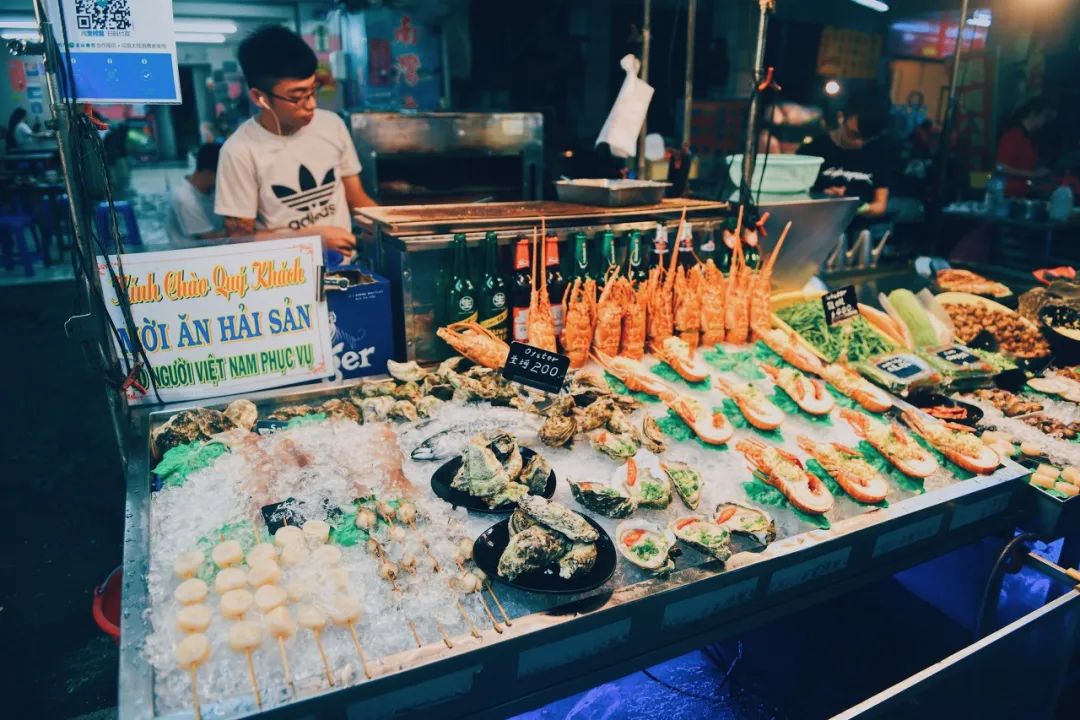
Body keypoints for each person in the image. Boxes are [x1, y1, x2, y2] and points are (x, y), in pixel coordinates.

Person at [214, 25, 376, 254]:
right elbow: (240, 239)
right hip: (286, 271)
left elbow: (357, 199)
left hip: (345, 268)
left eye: (312, 91)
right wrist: (314, 238)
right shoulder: (239, 151)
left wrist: (390, 229)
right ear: (260, 98)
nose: (311, 105)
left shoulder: (332, 125)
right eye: (297, 97)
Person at [799, 89, 893, 217]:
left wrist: (855, 207)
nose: (859, 143)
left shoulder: (878, 153)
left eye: (867, 138)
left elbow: (880, 205)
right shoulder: (812, 151)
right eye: (854, 134)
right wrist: (823, 198)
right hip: (818, 221)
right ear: (841, 117)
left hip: (859, 225)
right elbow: (796, 198)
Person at [995, 96, 1055, 198]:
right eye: (1044, 117)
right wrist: (1033, 174)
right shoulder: (1014, 135)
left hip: (1020, 194)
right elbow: (1001, 167)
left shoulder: (1030, 138)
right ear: (1033, 114)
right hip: (1007, 195)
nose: (1044, 122)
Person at [167, 143, 226, 243]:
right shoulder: (185, 198)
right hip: (191, 250)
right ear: (208, 173)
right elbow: (211, 239)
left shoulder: (212, 189)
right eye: (225, 174)